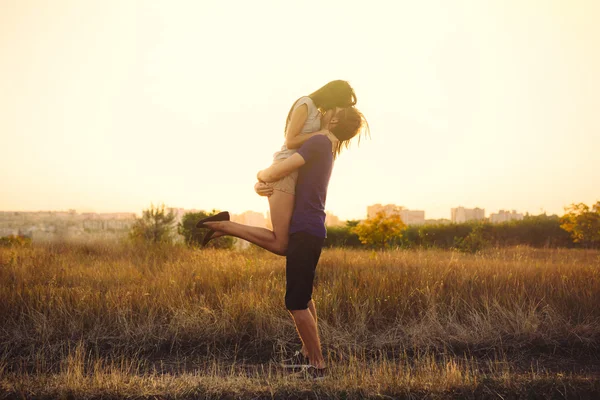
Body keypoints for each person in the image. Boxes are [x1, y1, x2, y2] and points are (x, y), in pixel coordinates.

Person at [198, 105, 367, 379]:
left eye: (331, 111)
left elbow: (280, 169)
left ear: (335, 120)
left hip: (305, 228)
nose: (324, 112)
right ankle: (306, 355)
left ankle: (317, 365)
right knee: (304, 296)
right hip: (312, 228)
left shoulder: (319, 142)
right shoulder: (328, 147)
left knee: (296, 303)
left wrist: (259, 178)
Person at [197, 80, 357, 255]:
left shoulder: (318, 115)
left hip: (291, 172)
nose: (339, 110)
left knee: (284, 242)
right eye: (341, 105)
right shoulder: (306, 103)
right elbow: (290, 141)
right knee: (282, 244)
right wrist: (322, 133)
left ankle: (225, 226)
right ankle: (223, 225)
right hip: (285, 170)